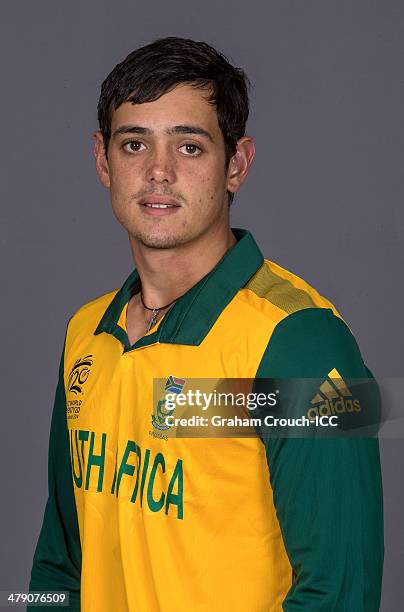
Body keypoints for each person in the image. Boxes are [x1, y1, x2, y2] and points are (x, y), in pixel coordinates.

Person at [28, 36, 384, 611]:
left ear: (236, 164)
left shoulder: (306, 342)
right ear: (102, 161)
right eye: (134, 144)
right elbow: (57, 565)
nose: (159, 172)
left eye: (189, 147)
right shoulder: (85, 333)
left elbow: (340, 594)